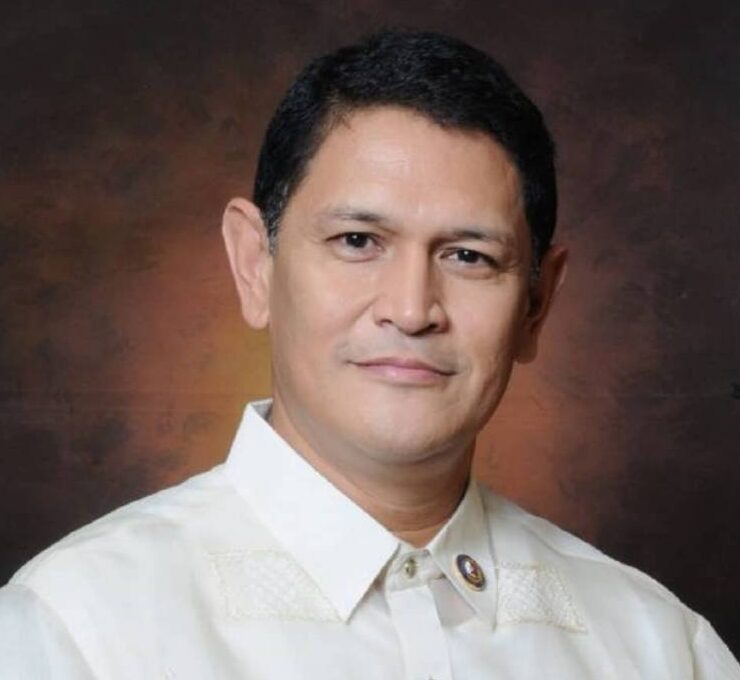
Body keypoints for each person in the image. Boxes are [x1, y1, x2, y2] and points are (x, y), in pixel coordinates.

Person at [0, 29, 737, 679]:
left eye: (469, 256)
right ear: (255, 265)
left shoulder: (663, 649)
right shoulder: (76, 630)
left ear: (536, 304)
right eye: (357, 241)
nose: (412, 310)